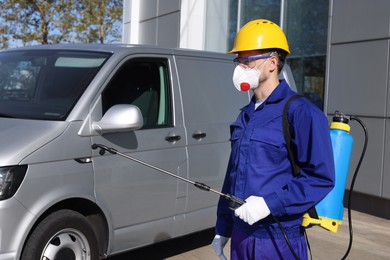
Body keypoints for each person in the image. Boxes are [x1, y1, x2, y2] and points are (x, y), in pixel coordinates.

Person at [212, 19, 335, 260]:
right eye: (239, 59)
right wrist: (223, 227)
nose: (241, 66)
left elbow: (320, 177)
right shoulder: (246, 115)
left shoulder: (301, 112)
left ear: (272, 62)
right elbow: (233, 175)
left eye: (249, 60)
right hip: (241, 236)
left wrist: (270, 204)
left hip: (277, 241)